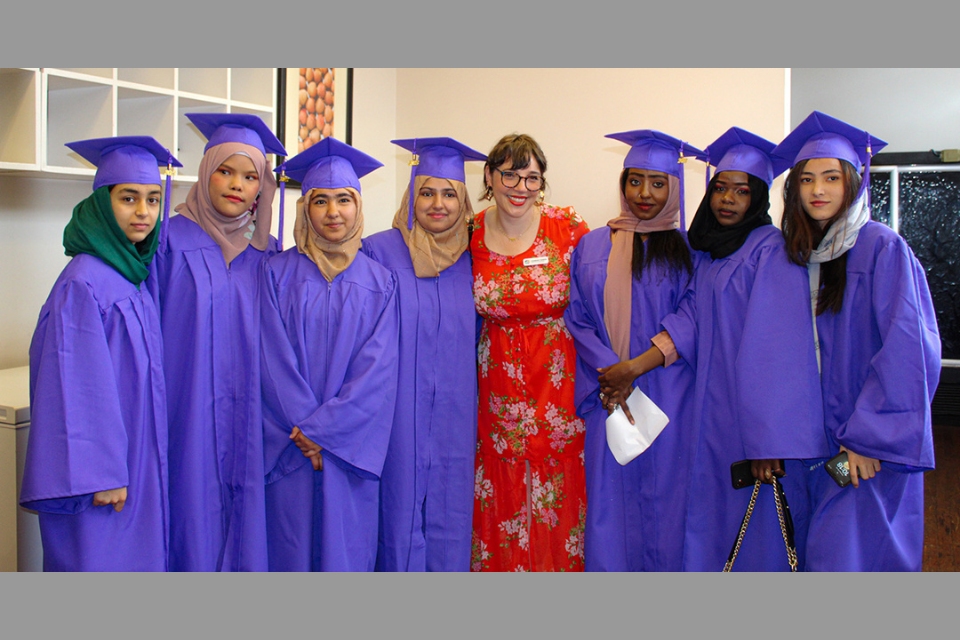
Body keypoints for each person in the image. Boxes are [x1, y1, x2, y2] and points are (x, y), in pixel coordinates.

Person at [773, 111, 939, 571]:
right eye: (806, 180)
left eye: (830, 177)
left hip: (866, 444)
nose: (817, 190)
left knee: (853, 556)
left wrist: (870, 438)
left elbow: (909, 349)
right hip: (812, 439)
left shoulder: (882, 248)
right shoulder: (798, 254)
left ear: (853, 181)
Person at [658, 127, 828, 571]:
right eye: (720, 189)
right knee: (715, 521)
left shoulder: (771, 251)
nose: (728, 200)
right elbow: (693, 317)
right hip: (711, 412)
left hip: (752, 424)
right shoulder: (712, 254)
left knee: (759, 530)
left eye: (741, 191)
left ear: (758, 198)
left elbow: (779, 353)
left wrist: (768, 441)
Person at [21, 136, 181, 571]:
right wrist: (103, 474)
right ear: (100, 204)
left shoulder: (129, 274)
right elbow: (76, 387)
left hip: (133, 456)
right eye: (128, 198)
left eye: (152, 199)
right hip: (102, 476)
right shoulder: (83, 281)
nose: (144, 212)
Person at [149, 113, 286, 572]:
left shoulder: (268, 252)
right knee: (190, 513)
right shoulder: (167, 241)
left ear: (261, 188)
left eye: (250, 177)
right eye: (225, 171)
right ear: (206, 172)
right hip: (184, 413)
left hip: (251, 415)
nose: (236, 185)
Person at [564, 130, 703, 571]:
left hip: (670, 395)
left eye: (658, 183)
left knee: (670, 502)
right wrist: (612, 373)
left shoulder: (689, 251)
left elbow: (695, 314)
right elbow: (578, 316)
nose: (644, 193)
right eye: (635, 181)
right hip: (610, 395)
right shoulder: (591, 245)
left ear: (674, 187)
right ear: (622, 183)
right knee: (610, 505)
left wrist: (635, 367)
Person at [260, 136, 399, 572]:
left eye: (344, 200)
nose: (333, 212)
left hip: (347, 453)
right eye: (320, 201)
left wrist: (325, 432)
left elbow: (378, 372)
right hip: (290, 449)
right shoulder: (275, 273)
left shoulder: (381, 282)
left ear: (359, 207)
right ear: (306, 208)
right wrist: (306, 431)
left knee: (346, 553)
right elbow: (271, 359)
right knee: (289, 549)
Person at [362, 137, 485, 572]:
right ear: (411, 195)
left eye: (450, 193)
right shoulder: (378, 251)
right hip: (397, 409)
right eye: (426, 192)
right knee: (397, 508)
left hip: (457, 409)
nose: (438, 204)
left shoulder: (477, 258)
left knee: (452, 509)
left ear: (464, 201)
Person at [470, 133, 589, 572]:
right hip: (497, 378)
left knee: (557, 484)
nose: (520, 187)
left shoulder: (568, 227)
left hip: (556, 375)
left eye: (531, 178)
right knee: (501, 483)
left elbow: (597, 294)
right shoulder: (471, 233)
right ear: (489, 176)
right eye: (510, 175)